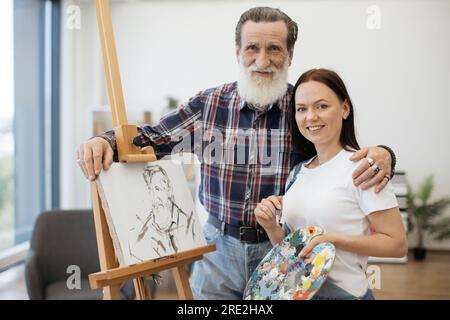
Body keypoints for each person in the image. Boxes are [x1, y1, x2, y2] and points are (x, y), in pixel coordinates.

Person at [76, 7, 397, 299]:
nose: (262, 59)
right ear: (237, 51)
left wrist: (385, 154)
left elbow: (335, 161)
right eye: (252, 48)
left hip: (283, 249)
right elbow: (153, 138)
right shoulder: (209, 104)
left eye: (274, 48)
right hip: (218, 249)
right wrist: (105, 141)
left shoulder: (301, 109)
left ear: (290, 53)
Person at [254, 68, 407, 300]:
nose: (311, 116)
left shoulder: (363, 168)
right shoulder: (297, 173)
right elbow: (291, 252)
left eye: (322, 106)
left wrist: (332, 240)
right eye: (302, 109)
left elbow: (396, 245)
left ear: (345, 109)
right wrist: (271, 228)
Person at [128, 164, 196, 261]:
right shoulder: (141, 233)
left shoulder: (188, 224)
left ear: (169, 189)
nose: (156, 196)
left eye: (160, 188)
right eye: (153, 189)